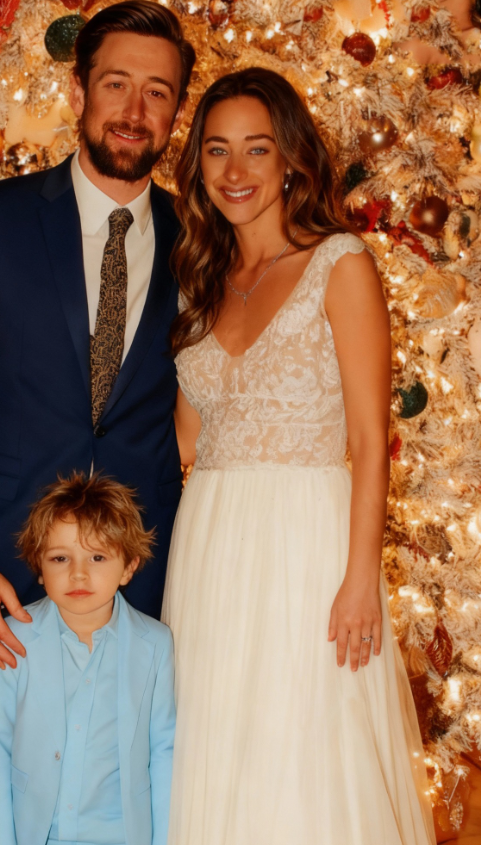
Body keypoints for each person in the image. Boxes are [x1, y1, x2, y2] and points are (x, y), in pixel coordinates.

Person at [0, 3, 194, 842]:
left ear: (176, 110)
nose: (134, 111)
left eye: (157, 92)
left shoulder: (200, 241)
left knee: (125, 805)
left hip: (136, 584)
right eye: (116, 84)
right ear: (78, 90)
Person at [163, 68, 436, 845]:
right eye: (216, 150)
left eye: (257, 148)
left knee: (306, 746)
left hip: (306, 547)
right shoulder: (199, 282)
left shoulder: (339, 263)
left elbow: (368, 441)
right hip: (208, 545)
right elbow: (185, 442)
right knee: (217, 744)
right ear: (198, 164)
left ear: (289, 159)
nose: (235, 171)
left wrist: (359, 580)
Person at [0, 473, 175, 845]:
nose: (78, 573)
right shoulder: (15, 636)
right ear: (39, 568)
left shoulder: (155, 644)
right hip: (37, 834)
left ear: (128, 567)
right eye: (60, 558)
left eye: (97, 557)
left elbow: (163, 752)